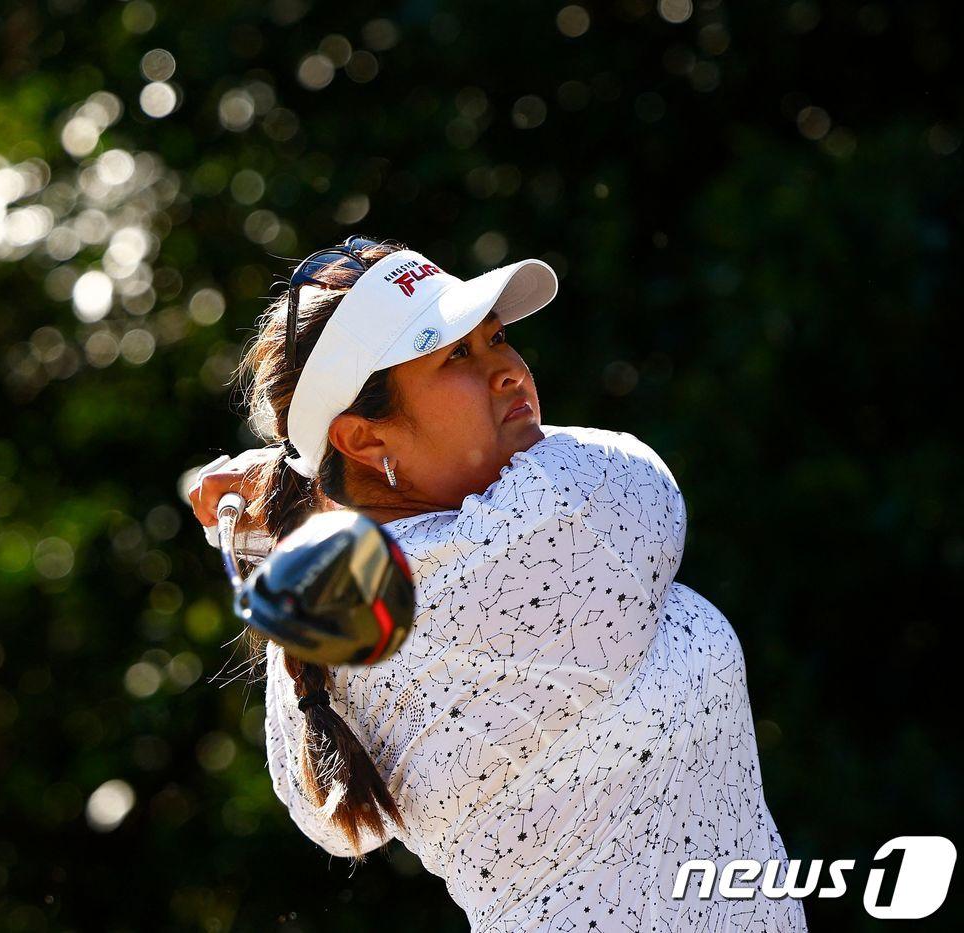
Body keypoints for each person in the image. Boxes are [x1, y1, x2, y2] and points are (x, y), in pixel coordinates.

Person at [187, 236, 808, 932]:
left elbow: (333, 823)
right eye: (457, 354)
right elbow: (643, 486)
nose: (510, 369)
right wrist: (292, 487)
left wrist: (295, 492)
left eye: (498, 337)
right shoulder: (571, 515)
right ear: (364, 441)